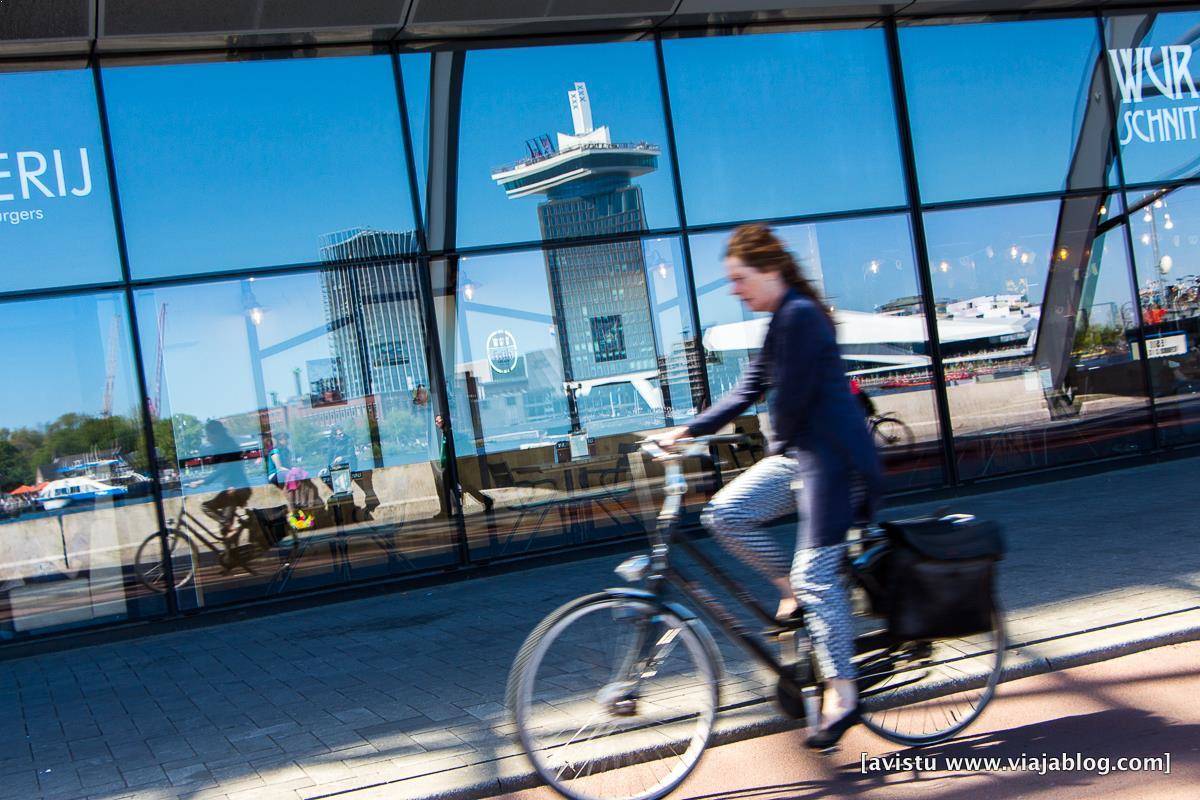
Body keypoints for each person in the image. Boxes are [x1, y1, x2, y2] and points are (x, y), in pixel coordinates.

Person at [655, 224, 883, 751]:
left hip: (833, 462)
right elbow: (749, 388)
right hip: (799, 458)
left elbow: (790, 401)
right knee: (723, 514)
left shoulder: (800, 315)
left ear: (769, 270)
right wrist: (687, 431)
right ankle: (788, 592)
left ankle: (844, 693)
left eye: (739, 278)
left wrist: (763, 436)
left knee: (817, 574)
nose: (735, 289)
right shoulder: (781, 319)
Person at [193, 420, 252, 537]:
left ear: (216, 434)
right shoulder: (226, 445)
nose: (208, 438)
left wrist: (202, 481)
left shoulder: (228, 447)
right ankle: (232, 548)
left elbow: (223, 469)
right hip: (236, 489)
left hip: (235, 491)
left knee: (206, 506)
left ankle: (229, 527)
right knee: (224, 530)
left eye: (208, 435)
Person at [432, 414, 493, 516]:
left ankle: (484, 501)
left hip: (454, 466)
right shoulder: (445, 434)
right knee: (455, 488)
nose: (437, 423)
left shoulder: (450, 434)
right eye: (436, 421)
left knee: (463, 487)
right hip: (449, 467)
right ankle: (457, 509)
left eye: (439, 421)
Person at [325, 425, 379, 518]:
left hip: (349, 465)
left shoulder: (348, 439)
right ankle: (342, 508)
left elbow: (351, 455)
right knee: (337, 488)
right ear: (334, 435)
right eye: (339, 434)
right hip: (336, 468)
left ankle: (350, 508)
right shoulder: (331, 442)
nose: (342, 435)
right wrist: (328, 466)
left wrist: (342, 458)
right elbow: (329, 457)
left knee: (346, 487)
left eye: (342, 433)